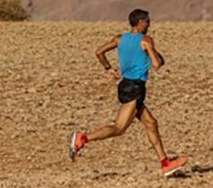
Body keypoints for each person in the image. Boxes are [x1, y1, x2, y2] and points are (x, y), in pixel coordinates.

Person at [69, 9, 188, 177]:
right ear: (139, 23)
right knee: (119, 128)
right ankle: (82, 138)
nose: (149, 24)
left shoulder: (120, 39)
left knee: (151, 123)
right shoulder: (146, 40)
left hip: (125, 85)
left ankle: (165, 164)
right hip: (136, 89)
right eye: (147, 21)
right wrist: (154, 53)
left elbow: (99, 52)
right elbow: (157, 64)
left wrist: (108, 69)